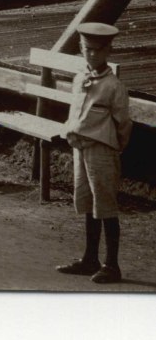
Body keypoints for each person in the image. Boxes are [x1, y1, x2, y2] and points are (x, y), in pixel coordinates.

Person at [57, 21, 133, 285]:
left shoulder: (113, 86)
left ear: (108, 50)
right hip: (81, 146)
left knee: (105, 204)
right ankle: (90, 257)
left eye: (97, 50)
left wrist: (116, 146)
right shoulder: (80, 78)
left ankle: (112, 264)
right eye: (86, 49)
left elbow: (123, 122)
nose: (91, 55)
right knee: (87, 201)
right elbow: (75, 111)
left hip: (102, 148)